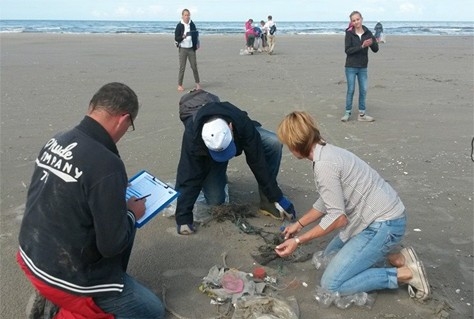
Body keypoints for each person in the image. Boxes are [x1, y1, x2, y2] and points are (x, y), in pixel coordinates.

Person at [17, 82, 165, 318]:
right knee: (153, 310)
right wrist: (131, 214)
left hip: (31, 254)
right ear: (123, 119)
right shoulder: (107, 165)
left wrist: (111, 191)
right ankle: (69, 309)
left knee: (119, 215)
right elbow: (111, 245)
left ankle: (55, 293)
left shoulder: (58, 139)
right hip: (67, 276)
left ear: (92, 107)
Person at [274, 111, 430, 302]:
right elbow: (328, 199)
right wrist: (298, 225)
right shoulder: (326, 150)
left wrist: (298, 241)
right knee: (328, 256)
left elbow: (338, 218)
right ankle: (397, 259)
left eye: (289, 145)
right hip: (378, 218)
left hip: (384, 224)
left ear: (297, 144)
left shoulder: (324, 165)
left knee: (331, 284)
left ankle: (405, 274)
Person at [174, 97, 296, 235]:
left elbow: (257, 162)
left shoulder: (239, 120)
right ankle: (214, 176)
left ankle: (267, 202)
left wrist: (277, 196)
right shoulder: (192, 137)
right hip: (210, 157)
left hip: (241, 135)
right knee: (216, 201)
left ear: (230, 127)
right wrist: (183, 216)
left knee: (273, 142)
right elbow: (188, 174)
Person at [341, 11, 378, 122]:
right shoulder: (349, 33)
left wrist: (372, 42)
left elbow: (375, 50)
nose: (356, 22)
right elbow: (348, 51)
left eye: (358, 19)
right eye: (354, 20)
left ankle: (362, 115)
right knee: (351, 90)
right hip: (351, 66)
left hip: (363, 67)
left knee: (363, 90)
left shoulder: (368, 33)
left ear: (362, 19)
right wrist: (362, 46)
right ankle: (347, 113)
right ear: (351, 22)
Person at [175, 8, 201, 92]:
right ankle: (180, 85)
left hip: (191, 49)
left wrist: (197, 43)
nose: (187, 17)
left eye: (188, 15)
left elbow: (196, 34)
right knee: (182, 67)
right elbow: (176, 38)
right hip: (183, 49)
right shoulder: (179, 25)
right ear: (182, 16)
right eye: (185, 15)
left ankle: (197, 84)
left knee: (194, 66)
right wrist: (182, 37)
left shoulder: (192, 24)